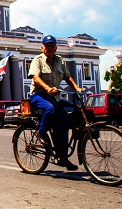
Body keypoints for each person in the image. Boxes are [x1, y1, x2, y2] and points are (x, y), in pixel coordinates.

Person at [27, 35, 84, 171]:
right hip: (38, 94)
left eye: (52, 46)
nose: (50, 48)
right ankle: (41, 132)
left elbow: (67, 77)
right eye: (47, 46)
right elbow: (35, 78)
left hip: (54, 96)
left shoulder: (60, 60)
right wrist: (48, 88)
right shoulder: (38, 60)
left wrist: (76, 87)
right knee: (51, 109)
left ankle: (63, 157)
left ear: (56, 47)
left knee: (65, 122)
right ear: (43, 48)